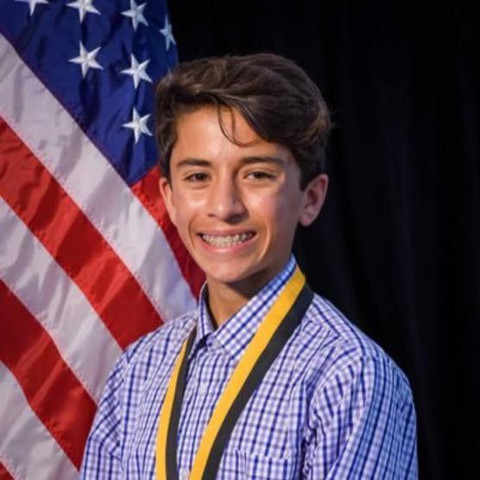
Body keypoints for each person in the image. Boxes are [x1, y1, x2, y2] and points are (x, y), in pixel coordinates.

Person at [80, 53, 417, 479]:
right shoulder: (138, 371)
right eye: (198, 177)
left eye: (257, 175)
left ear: (310, 199)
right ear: (170, 197)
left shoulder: (349, 377)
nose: (224, 207)